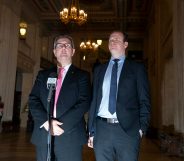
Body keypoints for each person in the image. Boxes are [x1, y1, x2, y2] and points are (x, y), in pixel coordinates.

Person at [88, 31, 151, 161]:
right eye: (110, 39)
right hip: (102, 129)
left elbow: (144, 99)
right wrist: (91, 130)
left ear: (125, 44)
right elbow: (94, 101)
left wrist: (141, 128)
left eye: (117, 39)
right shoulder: (99, 70)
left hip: (128, 130)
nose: (113, 41)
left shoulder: (137, 68)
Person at [29, 35, 91, 161]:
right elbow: (33, 99)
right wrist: (47, 122)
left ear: (73, 51)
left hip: (70, 136)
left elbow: (84, 102)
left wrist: (61, 126)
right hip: (44, 134)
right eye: (59, 45)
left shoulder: (82, 76)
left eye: (67, 45)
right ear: (54, 52)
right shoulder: (43, 74)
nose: (63, 47)